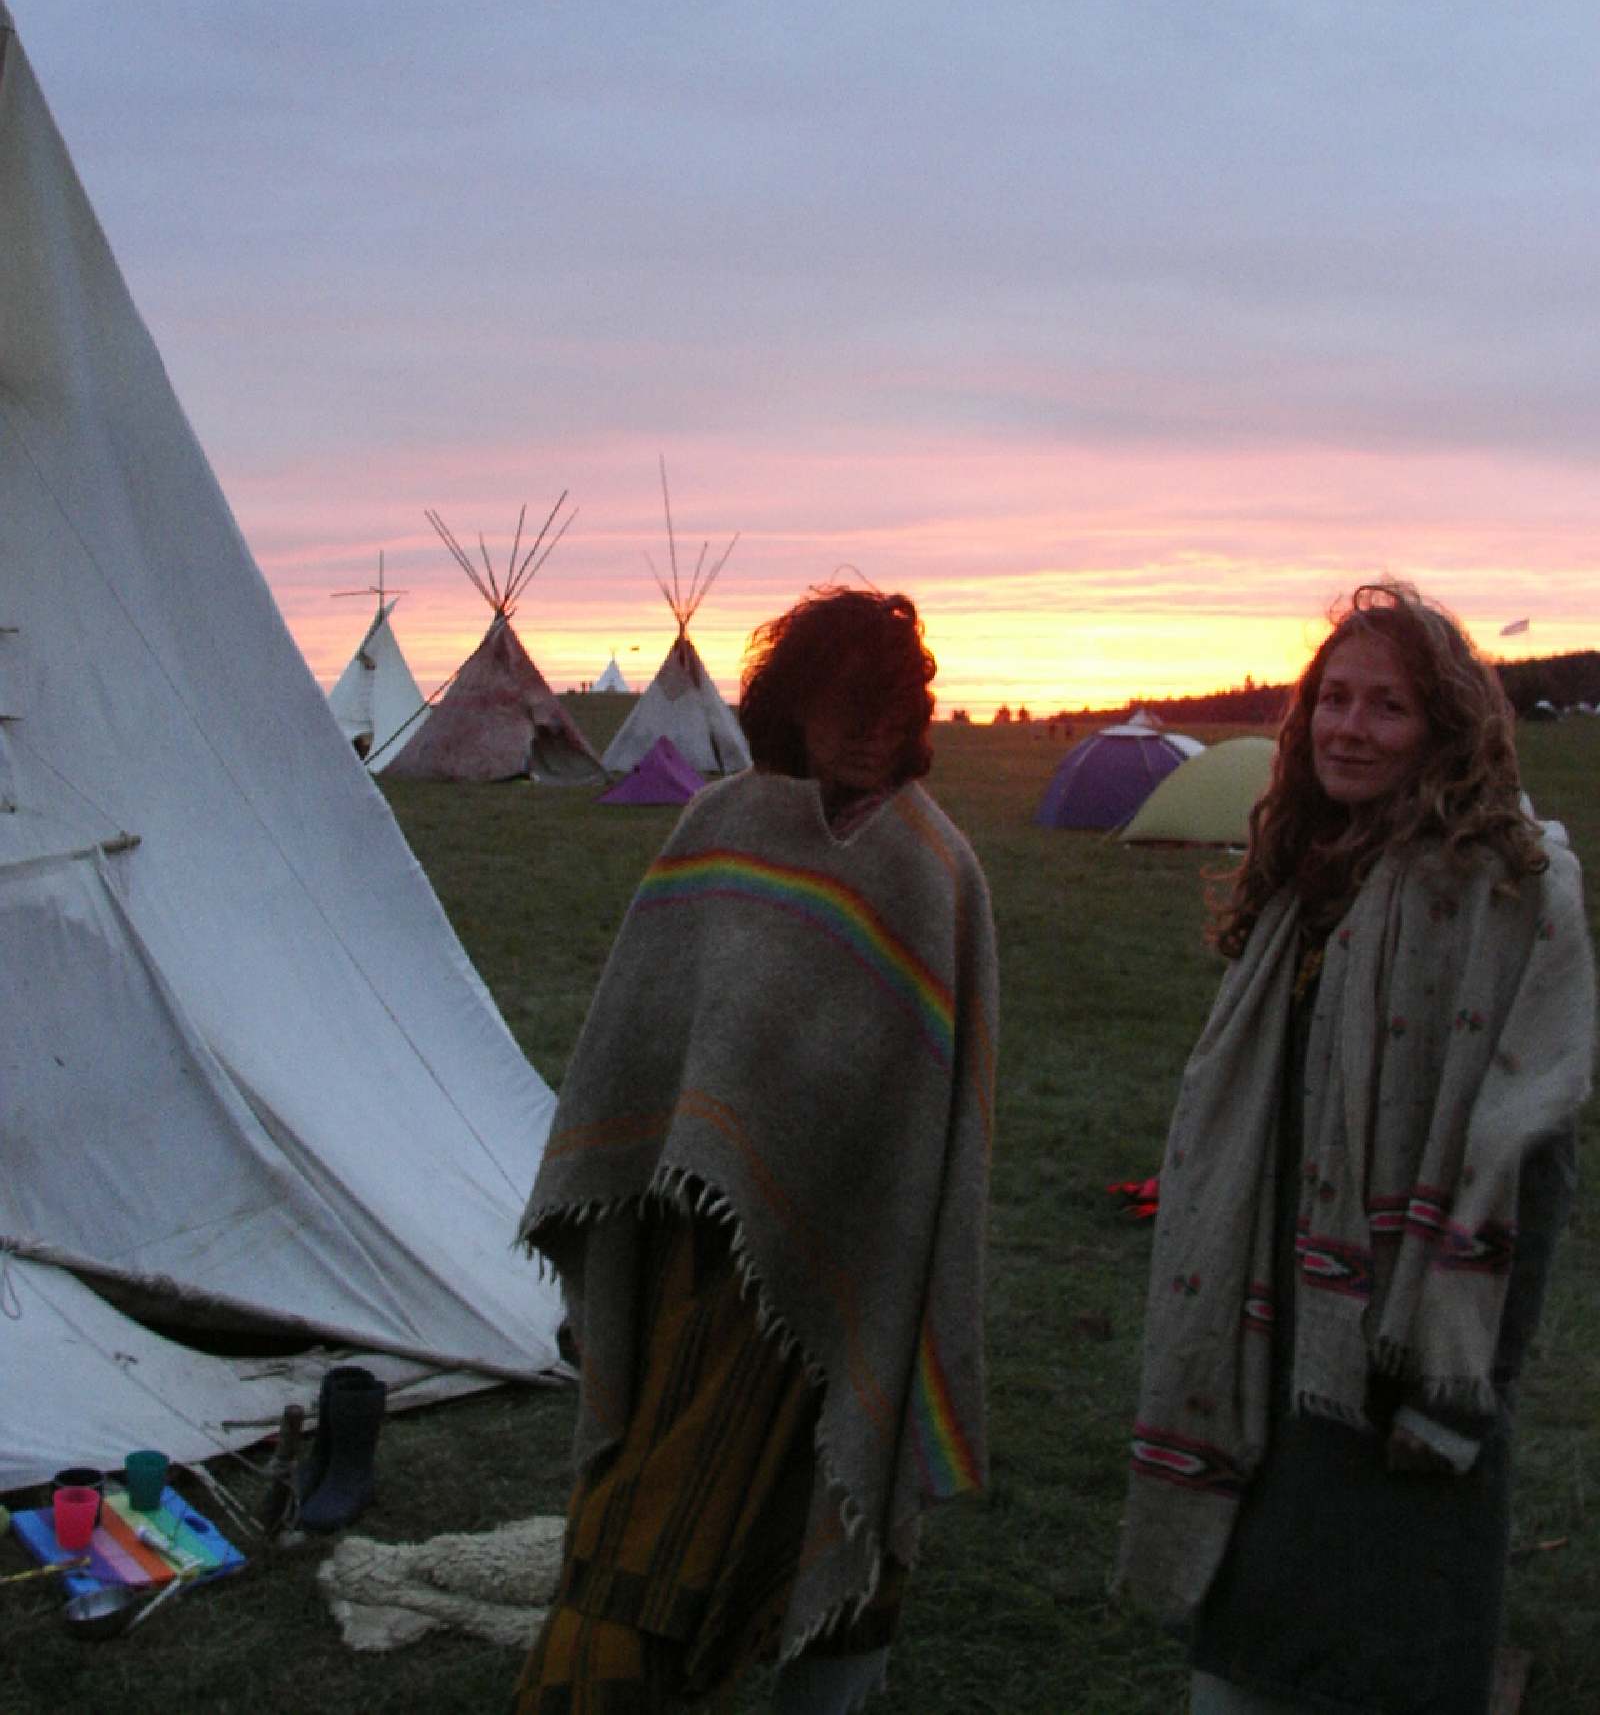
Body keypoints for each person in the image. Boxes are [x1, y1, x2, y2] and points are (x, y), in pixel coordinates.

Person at [514, 586, 998, 1715]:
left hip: (855, 1265)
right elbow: (636, 1045)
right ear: (793, 705)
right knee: (649, 1527)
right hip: (697, 1266)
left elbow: (936, 1113)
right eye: (846, 701)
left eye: (893, 705)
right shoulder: (719, 829)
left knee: (832, 1498)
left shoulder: (934, 870)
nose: (871, 729)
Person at [1117, 581, 1595, 1715]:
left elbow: (1527, 1165)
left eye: (1387, 705)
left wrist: (1466, 1388)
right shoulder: (1308, 883)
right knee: (1245, 1661)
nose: (1349, 727)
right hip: (1270, 1339)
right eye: (1333, 699)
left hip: (1397, 1368)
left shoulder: (1505, 896)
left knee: (1380, 1663)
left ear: (1443, 728)